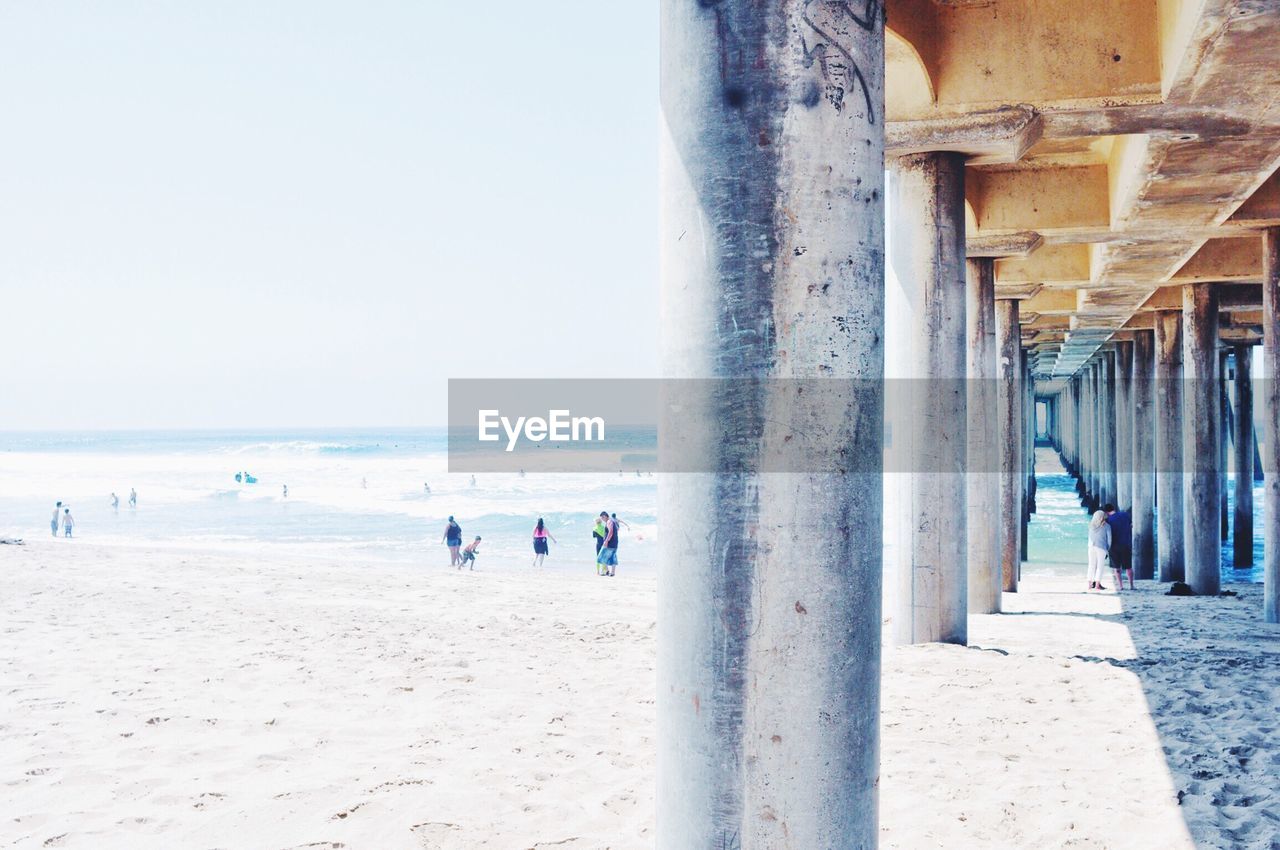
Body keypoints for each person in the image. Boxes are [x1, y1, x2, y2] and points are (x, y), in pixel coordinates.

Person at [1104, 503, 1134, 591]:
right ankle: (1131, 585)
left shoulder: (1108, 520)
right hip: (1126, 544)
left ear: (1106, 512)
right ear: (1113, 508)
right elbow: (1131, 525)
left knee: (1117, 568)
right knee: (1128, 567)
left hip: (1114, 546)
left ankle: (1121, 586)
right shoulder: (1125, 515)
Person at [1087, 509, 1111, 590]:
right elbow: (1109, 540)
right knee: (1100, 566)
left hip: (1091, 547)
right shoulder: (1107, 526)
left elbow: (1090, 538)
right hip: (1101, 547)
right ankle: (1097, 585)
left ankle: (1090, 584)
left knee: (1091, 565)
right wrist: (1107, 549)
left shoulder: (1090, 526)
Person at [597, 511, 618, 577]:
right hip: (614, 542)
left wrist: (606, 541)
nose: (602, 520)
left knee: (601, 557)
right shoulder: (612, 521)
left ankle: (607, 571)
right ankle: (612, 573)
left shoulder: (609, 521)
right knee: (613, 557)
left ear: (605, 516)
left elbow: (611, 532)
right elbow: (616, 530)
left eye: (602, 518)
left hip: (610, 543)